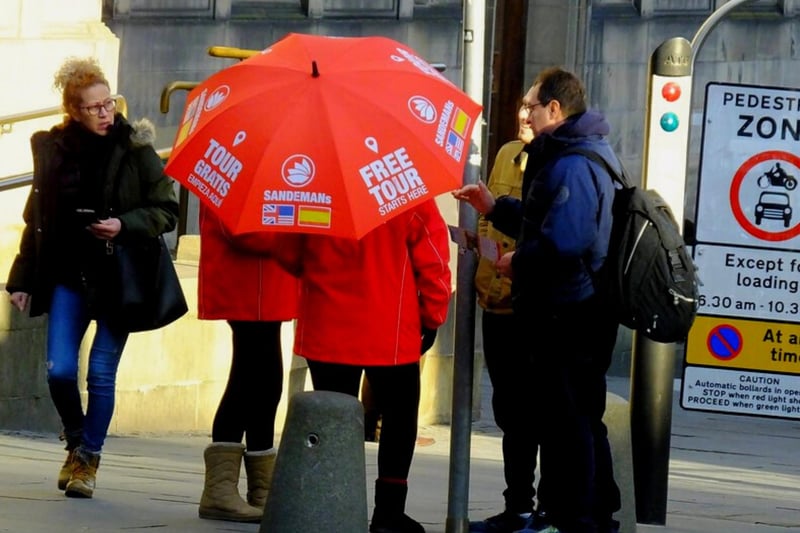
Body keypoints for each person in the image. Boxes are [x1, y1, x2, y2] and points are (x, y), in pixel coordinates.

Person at [453, 66, 621, 533]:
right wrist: (495, 208)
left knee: (570, 422)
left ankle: (574, 518)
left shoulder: (572, 162)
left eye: (531, 104)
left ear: (554, 108)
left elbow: (563, 241)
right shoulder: (572, 155)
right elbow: (543, 220)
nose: (523, 112)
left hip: (569, 312)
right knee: (578, 417)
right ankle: (588, 513)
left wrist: (518, 262)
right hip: (572, 308)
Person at [6, 56, 179, 499]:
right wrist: (21, 278)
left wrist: (125, 225)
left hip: (119, 276)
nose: (106, 114)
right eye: (94, 107)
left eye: (109, 104)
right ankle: (77, 438)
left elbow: (166, 210)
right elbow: (35, 218)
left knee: (101, 373)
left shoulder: (136, 149)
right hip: (67, 274)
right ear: (73, 110)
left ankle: (87, 459)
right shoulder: (53, 150)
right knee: (60, 371)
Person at [274, 199, 451, 533]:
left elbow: (287, 252)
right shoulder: (406, 190)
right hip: (389, 324)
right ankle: (388, 513)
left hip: (326, 323)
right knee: (399, 420)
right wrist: (432, 315)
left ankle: (332, 505)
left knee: (333, 425)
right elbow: (433, 259)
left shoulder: (313, 191)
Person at [195, 206, 299, 522]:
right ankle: (220, 491)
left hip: (265, 283)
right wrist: (299, 232)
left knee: (266, 384)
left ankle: (261, 490)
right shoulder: (233, 165)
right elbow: (245, 231)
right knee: (248, 381)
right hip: (245, 283)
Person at [469, 104, 539, 533]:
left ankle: (541, 510)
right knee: (509, 415)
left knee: (536, 415)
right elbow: (491, 219)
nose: (523, 114)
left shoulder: (562, 167)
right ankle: (517, 506)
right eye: (522, 106)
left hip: (530, 307)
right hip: (494, 303)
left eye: (534, 107)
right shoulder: (507, 154)